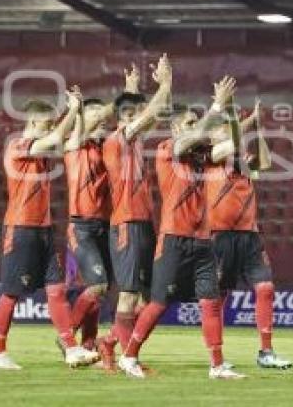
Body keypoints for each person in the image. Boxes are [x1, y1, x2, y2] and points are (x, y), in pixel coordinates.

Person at [118, 77, 245, 380]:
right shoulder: (167, 149)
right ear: (176, 128)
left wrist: (232, 115)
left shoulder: (201, 157)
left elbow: (236, 144)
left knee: (211, 303)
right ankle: (129, 356)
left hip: (203, 241)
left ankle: (217, 365)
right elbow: (197, 135)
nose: (194, 126)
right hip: (173, 239)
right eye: (189, 122)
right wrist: (216, 107)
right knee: (159, 302)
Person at [0, 89, 100, 370]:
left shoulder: (42, 148)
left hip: (44, 230)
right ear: (35, 123)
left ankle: (71, 348)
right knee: (12, 293)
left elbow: (70, 139)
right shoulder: (17, 146)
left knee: (56, 290)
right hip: (21, 228)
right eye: (48, 123)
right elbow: (55, 138)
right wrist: (72, 110)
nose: (52, 129)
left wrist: (78, 113)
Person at [95, 57, 173, 369]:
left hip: (142, 221)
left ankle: (112, 342)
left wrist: (133, 88)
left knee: (147, 299)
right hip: (127, 222)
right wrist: (165, 83)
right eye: (136, 113)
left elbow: (147, 115)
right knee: (128, 296)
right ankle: (126, 358)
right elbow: (150, 114)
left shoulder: (133, 139)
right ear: (127, 117)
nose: (144, 118)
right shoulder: (117, 139)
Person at [207, 98, 292, 369]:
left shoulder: (241, 160)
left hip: (249, 235)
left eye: (225, 129)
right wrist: (240, 121)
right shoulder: (210, 157)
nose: (224, 133)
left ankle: (266, 352)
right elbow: (232, 139)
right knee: (219, 297)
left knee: (265, 287)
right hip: (220, 235)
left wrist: (258, 127)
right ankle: (217, 358)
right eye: (219, 131)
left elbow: (264, 164)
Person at [63, 95, 115, 352]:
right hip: (81, 225)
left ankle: (89, 344)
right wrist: (80, 111)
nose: (105, 121)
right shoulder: (75, 144)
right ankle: (67, 338)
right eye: (98, 115)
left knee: (99, 288)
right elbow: (82, 126)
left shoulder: (106, 147)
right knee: (97, 285)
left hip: (105, 224)